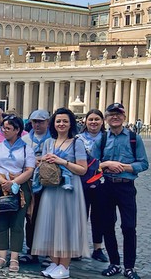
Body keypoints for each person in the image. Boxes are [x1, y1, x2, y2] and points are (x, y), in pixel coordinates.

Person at [92, 103, 148, 279]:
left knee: (129, 227)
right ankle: (114, 263)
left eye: (118, 114)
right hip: (105, 185)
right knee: (107, 225)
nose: (114, 117)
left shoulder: (133, 138)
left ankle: (130, 267)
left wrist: (126, 167)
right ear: (106, 119)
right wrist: (107, 164)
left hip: (126, 187)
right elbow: (92, 165)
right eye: (111, 114)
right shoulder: (101, 139)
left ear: (123, 117)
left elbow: (143, 163)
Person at [32, 108, 89, 279]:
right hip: (51, 187)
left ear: (71, 123)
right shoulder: (49, 142)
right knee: (51, 224)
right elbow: (42, 161)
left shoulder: (76, 142)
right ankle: (54, 262)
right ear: (53, 124)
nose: (61, 124)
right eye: (58, 121)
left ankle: (65, 265)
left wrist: (62, 161)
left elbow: (83, 169)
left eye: (64, 121)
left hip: (69, 189)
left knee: (66, 226)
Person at [0, 115, 35, 273]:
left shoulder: (26, 148)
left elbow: (30, 169)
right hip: (0, 186)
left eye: (8, 128)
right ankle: (1, 256)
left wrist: (14, 182)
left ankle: (14, 257)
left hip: (19, 188)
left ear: (17, 130)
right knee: (0, 221)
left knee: (17, 223)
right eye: (3, 128)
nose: (4, 131)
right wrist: (2, 181)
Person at [20, 109, 51, 264]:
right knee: (30, 217)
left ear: (47, 122)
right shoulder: (25, 139)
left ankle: (49, 250)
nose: (37, 124)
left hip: (49, 184)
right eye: (34, 121)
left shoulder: (53, 138)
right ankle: (32, 250)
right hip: (30, 183)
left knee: (49, 217)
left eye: (41, 121)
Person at [79, 109, 108, 262]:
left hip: (100, 181)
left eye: (97, 119)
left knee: (98, 216)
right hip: (81, 180)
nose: (93, 122)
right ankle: (78, 247)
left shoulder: (107, 138)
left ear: (102, 121)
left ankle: (98, 248)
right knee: (80, 215)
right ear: (85, 121)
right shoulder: (78, 138)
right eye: (90, 119)